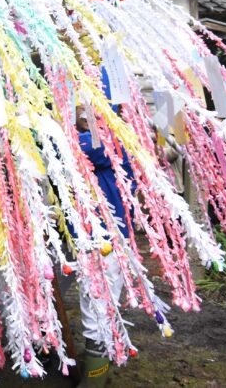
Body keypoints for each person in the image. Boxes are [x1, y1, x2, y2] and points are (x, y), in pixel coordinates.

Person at [75, 105, 134, 386]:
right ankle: (103, 361)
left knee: (97, 299)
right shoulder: (109, 135)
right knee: (99, 298)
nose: (78, 114)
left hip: (105, 237)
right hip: (99, 234)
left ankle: (95, 378)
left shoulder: (109, 138)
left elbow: (73, 146)